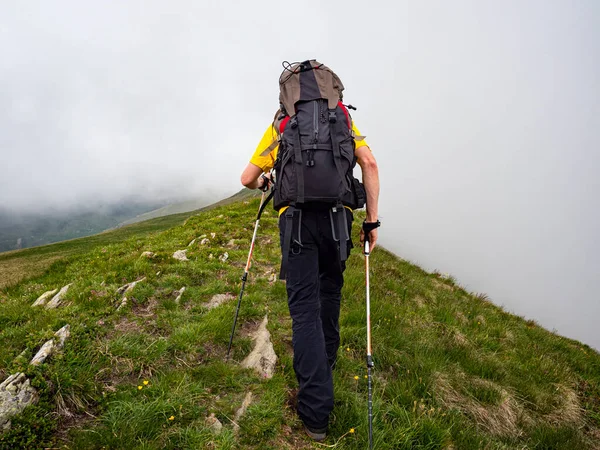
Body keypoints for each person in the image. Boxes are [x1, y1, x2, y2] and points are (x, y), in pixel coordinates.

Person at [240, 60, 380, 441]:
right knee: (329, 295)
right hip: (338, 222)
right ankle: (327, 363)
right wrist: (371, 220)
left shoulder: (282, 124)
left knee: (304, 312)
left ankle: (316, 416)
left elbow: (247, 178)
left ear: (290, 94)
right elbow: (368, 162)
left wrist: (266, 181)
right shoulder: (344, 121)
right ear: (331, 90)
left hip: (297, 223)